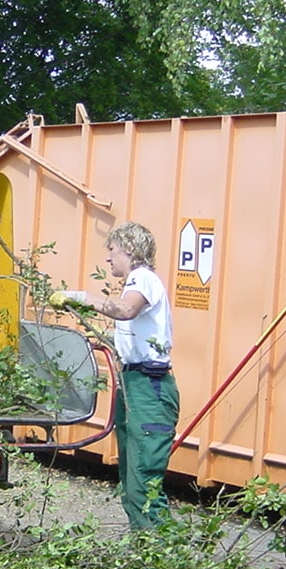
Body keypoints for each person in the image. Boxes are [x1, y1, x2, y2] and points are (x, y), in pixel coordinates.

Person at [50, 222, 179, 530]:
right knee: (131, 483)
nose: (108, 259)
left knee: (143, 484)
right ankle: (143, 557)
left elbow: (124, 311)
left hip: (151, 388)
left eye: (112, 250)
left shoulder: (143, 277)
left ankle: (164, 560)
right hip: (135, 384)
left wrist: (80, 296)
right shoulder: (138, 282)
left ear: (130, 250)